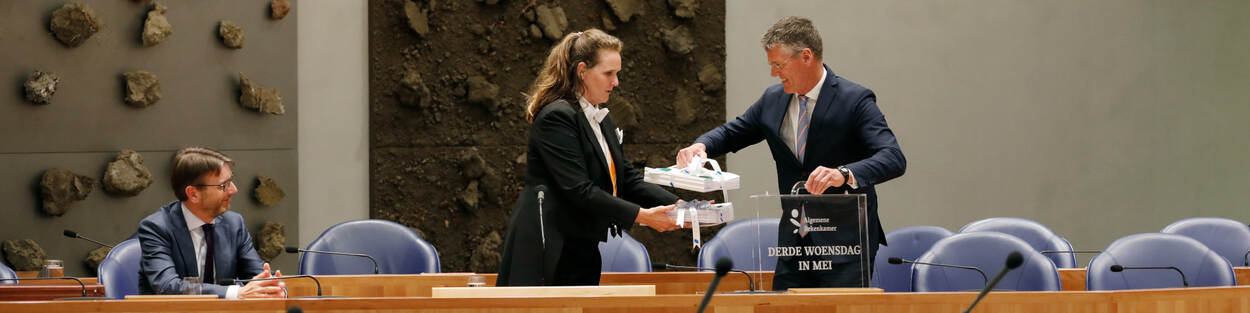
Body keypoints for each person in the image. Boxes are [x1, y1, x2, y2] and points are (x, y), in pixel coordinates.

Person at [676, 16, 906, 289]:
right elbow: (731, 132)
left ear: (806, 56)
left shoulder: (854, 99)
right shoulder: (772, 100)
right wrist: (701, 145)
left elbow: (893, 157)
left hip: (845, 244)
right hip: (794, 241)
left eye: (778, 65)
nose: (774, 73)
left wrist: (843, 174)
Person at [498, 29, 680, 286]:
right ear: (582, 70)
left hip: (582, 243)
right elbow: (579, 189)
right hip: (549, 247)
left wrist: (683, 206)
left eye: (617, 73)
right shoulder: (557, 117)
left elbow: (626, 178)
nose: (616, 82)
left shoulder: (600, 117)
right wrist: (643, 216)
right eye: (608, 73)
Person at [137, 147, 286, 298]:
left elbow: (258, 274)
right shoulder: (157, 228)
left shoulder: (234, 224)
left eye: (231, 181)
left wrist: (273, 287)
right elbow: (168, 286)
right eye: (224, 185)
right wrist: (235, 292)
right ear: (193, 194)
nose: (233, 190)